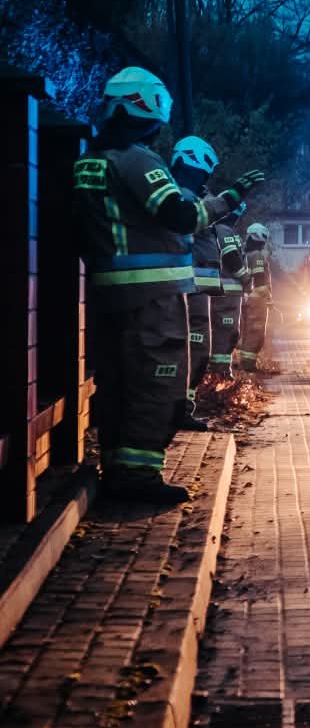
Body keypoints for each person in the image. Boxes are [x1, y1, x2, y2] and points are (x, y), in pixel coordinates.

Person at [72, 68, 264, 502]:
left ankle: (118, 469)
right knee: (156, 386)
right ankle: (138, 479)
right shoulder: (137, 161)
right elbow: (180, 215)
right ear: (149, 109)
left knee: (119, 383)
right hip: (153, 299)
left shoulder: (88, 162)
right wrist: (229, 199)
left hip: (109, 295)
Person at [169, 136, 230, 430]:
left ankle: (184, 408)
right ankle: (179, 410)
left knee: (198, 352)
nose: (206, 179)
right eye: (203, 173)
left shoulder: (194, 196)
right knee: (193, 351)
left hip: (197, 289)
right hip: (188, 288)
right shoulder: (182, 197)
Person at [210, 203, 247, 379]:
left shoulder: (221, 230)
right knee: (226, 331)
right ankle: (219, 371)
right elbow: (231, 256)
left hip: (228, 292)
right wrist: (245, 278)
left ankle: (222, 369)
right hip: (227, 293)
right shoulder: (223, 230)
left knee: (228, 332)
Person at [238, 222, 274, 371]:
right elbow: (259, 278)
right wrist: (268, 298)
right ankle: (248, 366)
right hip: (257, 299)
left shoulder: (246, 255)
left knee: (249, 331)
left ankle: (246, 364)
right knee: (256, 332)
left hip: (249, 297)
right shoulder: (257, 255)